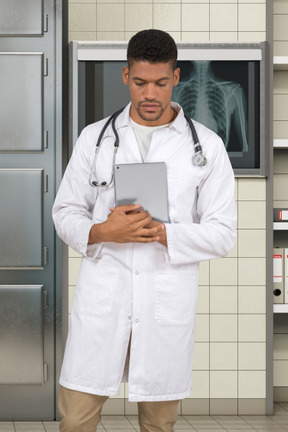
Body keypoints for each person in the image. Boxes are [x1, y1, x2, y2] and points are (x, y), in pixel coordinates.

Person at [53, 29, 237, 432]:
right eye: (140, 82)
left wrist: (163, 233)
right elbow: (64, 212)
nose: (149, 94)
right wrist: (104, 231)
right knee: (75, 420)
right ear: (125, 77)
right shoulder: (94, 139)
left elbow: (223, 233)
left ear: (176, 77)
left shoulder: (207, 147)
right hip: (105, 302)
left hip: (162, 304)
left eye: (160, 82)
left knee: (159, 425)